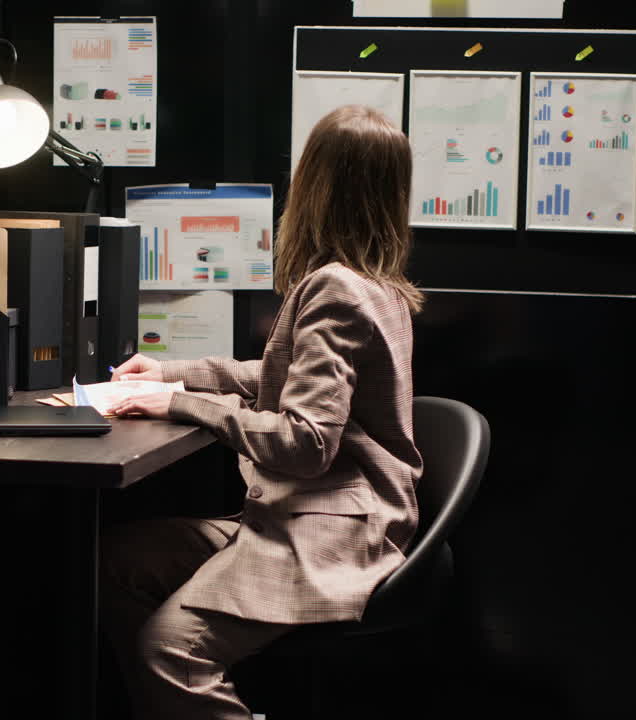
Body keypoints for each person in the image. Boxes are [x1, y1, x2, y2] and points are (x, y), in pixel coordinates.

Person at [99, 104, 425, 720]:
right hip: (310, 515)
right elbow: (284, 379)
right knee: (111, 566)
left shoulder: (339, 288)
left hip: (327, 529)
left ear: (315, 185)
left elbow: (306, 442)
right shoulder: (378, 286)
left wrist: (181, 404)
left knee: (169, 652)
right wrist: (171, 372)